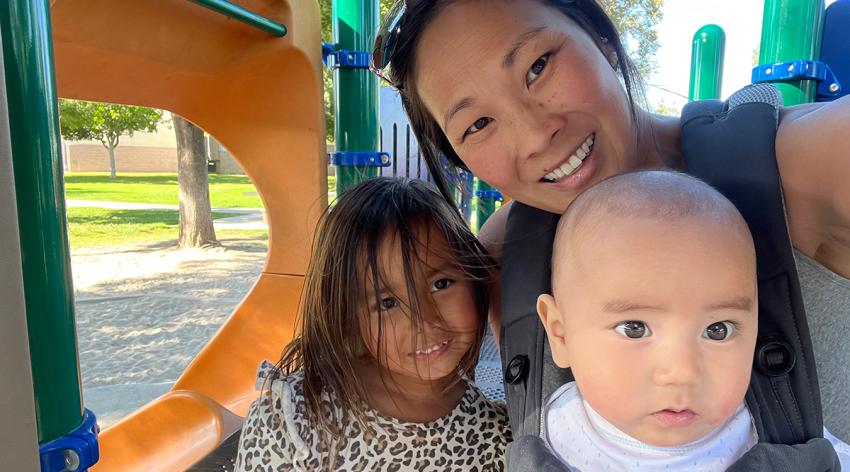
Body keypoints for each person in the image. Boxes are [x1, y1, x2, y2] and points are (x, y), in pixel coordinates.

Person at [371, 0, 850, 441]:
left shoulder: (795, 167)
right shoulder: (506, 252)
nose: (537, 135)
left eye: (538, 66)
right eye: (477, 124)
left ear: (603, 40)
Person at [536, 170, 850, 470]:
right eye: (634, 329)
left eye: (718, 330)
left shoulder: (775, 421)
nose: (682, 372)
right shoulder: (553, 428)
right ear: (560, 335)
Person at [234, 177, 510, 471]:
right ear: (348, 315)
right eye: (387, 303)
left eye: (440, 284)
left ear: (474, 280)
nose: (424, 320)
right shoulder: (294, 422)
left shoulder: (494, 433)